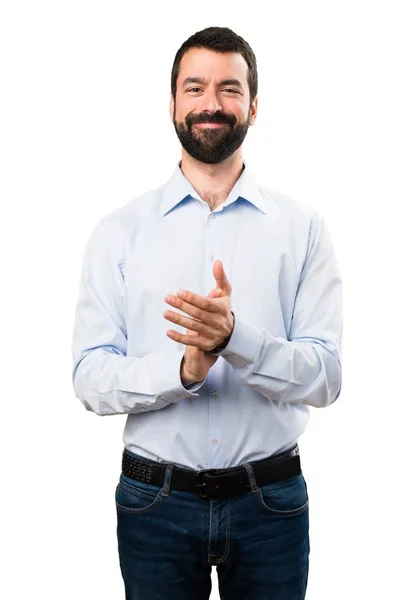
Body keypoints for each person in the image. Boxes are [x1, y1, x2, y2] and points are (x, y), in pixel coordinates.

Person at [71, 25, 343, 600]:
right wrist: (185, 371)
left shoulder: (303, 230)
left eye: (229, 88)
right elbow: (90, 379)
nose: (211, 104)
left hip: (270, 502)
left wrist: (237, 340)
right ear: (172, 103)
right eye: (194, 88)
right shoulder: (119, 234)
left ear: (253, 105)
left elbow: (326, 377)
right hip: (155, 504)